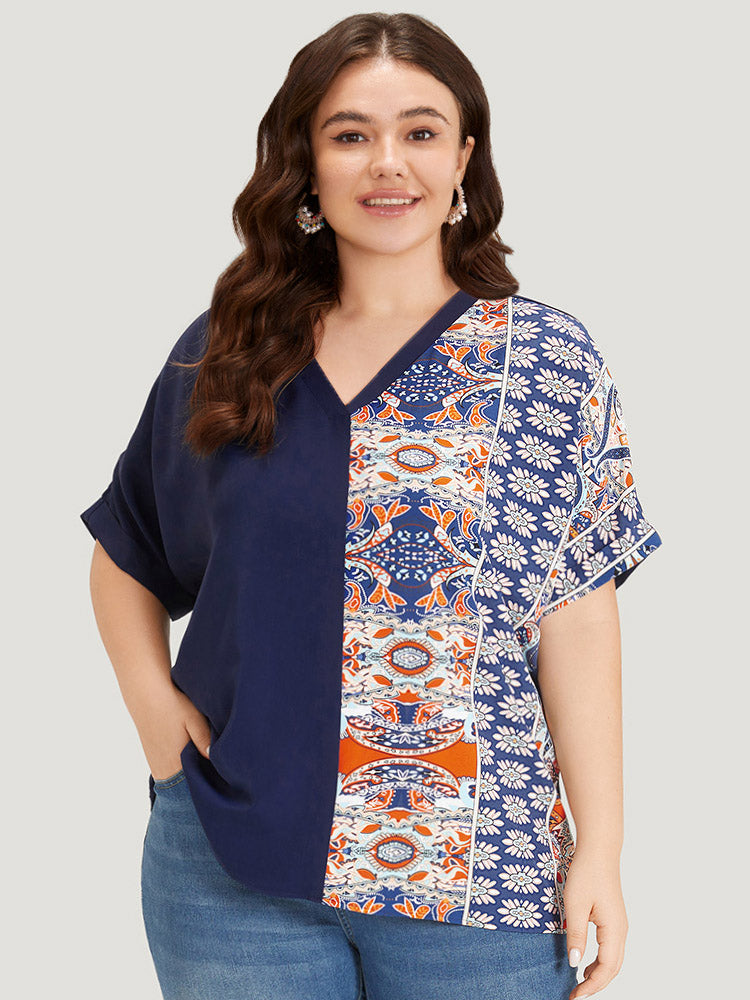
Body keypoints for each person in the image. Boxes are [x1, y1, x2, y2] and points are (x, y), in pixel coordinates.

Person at [80, 12, 662, 1000]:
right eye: (350, 134)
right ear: (306, 164)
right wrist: (158, 727)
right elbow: (126, 550)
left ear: (464, 157)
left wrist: (600, 847)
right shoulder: (226, 353)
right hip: (231, 871)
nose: (388, 162)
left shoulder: (548, 365)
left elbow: (576, 611)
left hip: (479, 877)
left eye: (420, 131)